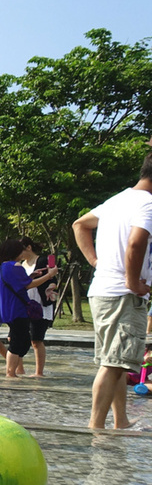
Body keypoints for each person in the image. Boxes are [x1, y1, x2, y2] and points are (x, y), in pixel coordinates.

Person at [73, 152, 152, 429]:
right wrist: (132, 281)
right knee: (113, 363)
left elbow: (79, 224)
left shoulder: (118, 200)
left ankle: (121, 420)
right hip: (122, 294)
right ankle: (96, 427)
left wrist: (97, 263)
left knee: (116, 362)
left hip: (104, 291)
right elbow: (135, 244)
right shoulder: (148, 204)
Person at [0, 239, 59, 379]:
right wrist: (49, 275)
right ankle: (10, 373)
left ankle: (12, 371)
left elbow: (19, 282)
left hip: (8, 308)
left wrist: (30, 276)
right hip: (17, 308)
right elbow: (28, 285)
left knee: (21, 340)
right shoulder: (16, 265)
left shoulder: (5, 266)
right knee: (18, 341)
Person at [20, 238, 56, 378]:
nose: (19, 254)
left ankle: (38, 372)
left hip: (40, 304)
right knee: (17, 337)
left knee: (36, 339)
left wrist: (51, 287)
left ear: (29, 247)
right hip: (24, 304)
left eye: (21, 250)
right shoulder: (21, 264)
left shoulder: (43, 260)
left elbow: (53, 279)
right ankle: (19, 369)